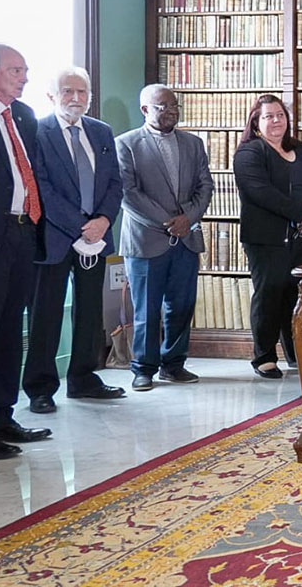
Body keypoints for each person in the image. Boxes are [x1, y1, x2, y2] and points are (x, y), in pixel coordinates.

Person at [23, 66, 125, 414]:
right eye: (68, 91)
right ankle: (40, 387)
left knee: (90, 313)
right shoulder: (37, 130)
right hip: (54, 238)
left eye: (82, 92)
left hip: (96, 239)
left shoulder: (101, 131)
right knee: (46, 315)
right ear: (52, 96)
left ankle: (83, 378)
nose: (76, 98)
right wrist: (81, 227)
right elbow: (40, 186)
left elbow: (114, 182)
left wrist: (103, 222)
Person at [116, 84, 213, 392]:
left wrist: (189, 218)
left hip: (186, 239)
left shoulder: (193, 144)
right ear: (145, 110)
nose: (171, 112)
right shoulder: (126, 144)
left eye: (174, 106)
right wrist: (167, 221)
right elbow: (128, 194)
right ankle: (143, 367)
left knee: (182, 305)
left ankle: (174, 364)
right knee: (146, 308)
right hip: (146, 241)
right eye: (163, 107)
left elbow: (205, 186)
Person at [233, 94, 302, 379]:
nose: (276, 121)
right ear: (256, 122)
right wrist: (301, 213)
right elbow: (261, 193)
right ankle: (264, 356)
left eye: (280, 115)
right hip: (266, 238)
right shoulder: (249, 152)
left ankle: (295, 350)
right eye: (268, 116)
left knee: (295, 295)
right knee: (269, 293)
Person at [0, 44, 50, 458]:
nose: (25, 77)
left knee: (12, 330)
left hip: (21, 233)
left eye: (26, 70)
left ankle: (3, 416)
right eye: (16, 70)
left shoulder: (25, 117)